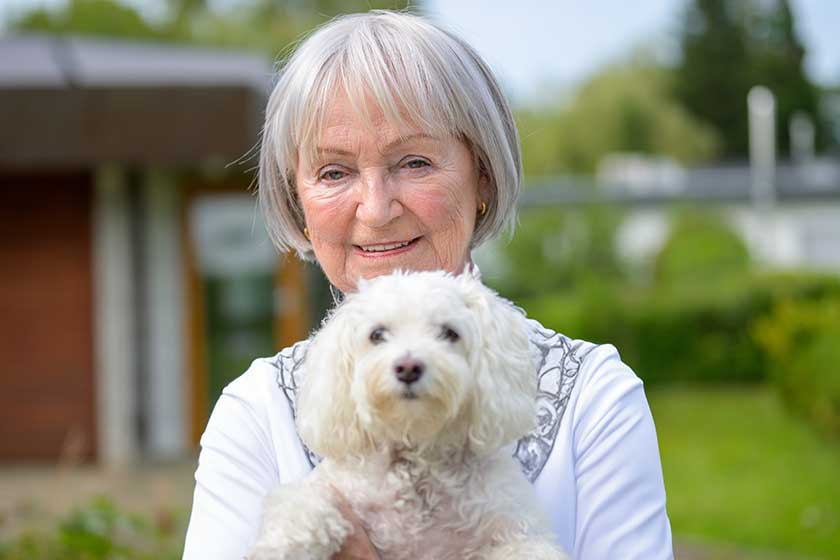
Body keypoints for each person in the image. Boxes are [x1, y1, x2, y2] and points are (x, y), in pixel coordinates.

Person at [183, 10, 673, 560]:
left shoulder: (596, 398)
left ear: (481, 176)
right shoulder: (257, 409)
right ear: (297, 202)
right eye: (334, 172)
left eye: (414, 162)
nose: (376, 209)